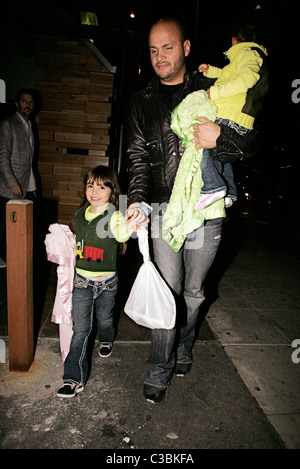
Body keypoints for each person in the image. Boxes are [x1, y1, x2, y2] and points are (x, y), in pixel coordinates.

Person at [124, 17, 261, 404]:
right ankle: (159, 365)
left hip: (206, 206)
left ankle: (185, 345)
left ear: (185, 48)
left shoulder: (213, 89)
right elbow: (136, 161)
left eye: (167, 47)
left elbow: (251, 143)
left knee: (195, 292)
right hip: (163, 208)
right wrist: (136, 201)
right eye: (153, 49)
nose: (159, 56)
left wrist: (223, 138)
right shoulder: (140, 103)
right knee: (168, 291)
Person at [57, 166, 138, 398]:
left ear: (112, 191)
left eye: (102, 186)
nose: (94, 191)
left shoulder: (114, 215)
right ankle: (72, 378)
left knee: (105, 318)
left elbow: (122, 235)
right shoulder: (78, 216)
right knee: (80, 330)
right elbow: (77, 245)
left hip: (107, 283)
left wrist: (130, 225)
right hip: (82, 281)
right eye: (90, 185)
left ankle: (106, 338)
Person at [195, 8, 269, 210]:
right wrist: (211, 71)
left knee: (202, 144)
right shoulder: (245, 56)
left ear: (236, 39)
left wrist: (216, 93)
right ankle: (228, 191)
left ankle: (212, 187)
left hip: (233, 116)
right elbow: (230, 75)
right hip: (232, 116)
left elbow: (247, 78)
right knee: (221, 154)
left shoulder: (248, 54)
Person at [0, 88, 39, 268]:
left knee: (24, 226)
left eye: (30, 102)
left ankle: (18, 260)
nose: (28, 105)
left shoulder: (30, 125)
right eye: (24, 101)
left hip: (27, 185)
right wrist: (12, 182)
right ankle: (5, 261)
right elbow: (2, 157)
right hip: (11, 187)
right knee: (7, 227)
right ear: (16, 103)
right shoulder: (9, 124)